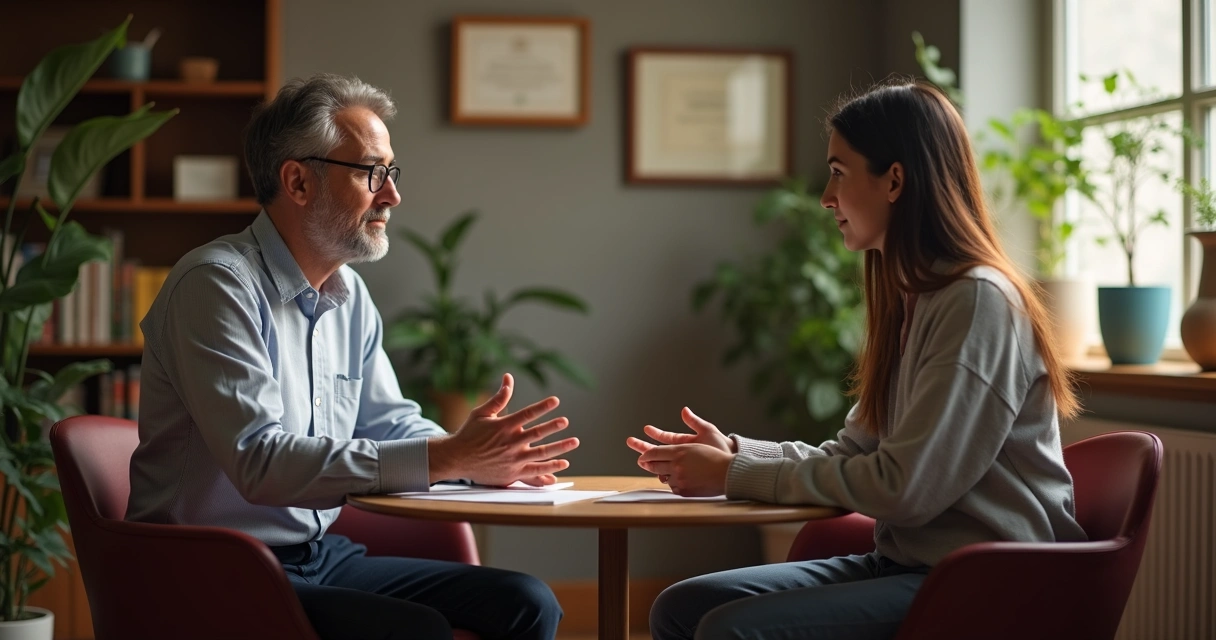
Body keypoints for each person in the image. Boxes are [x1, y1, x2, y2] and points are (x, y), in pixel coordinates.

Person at [627, 80, 1089, 640]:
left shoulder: (977, 301)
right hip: (909, 566)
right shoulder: (917, 301)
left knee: (730, 629)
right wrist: (735, 453)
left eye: (839, 172)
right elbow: (856, 453)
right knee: (681, 607)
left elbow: (905, 488)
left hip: (984, 581)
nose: (826, 196)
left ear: (894, 179)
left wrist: (733, 474)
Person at [126, 73, 576, 640]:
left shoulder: (349, 293)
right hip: (212, 566)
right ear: (297, 182)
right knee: (414, 630)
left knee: (526, 602)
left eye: (391, 172)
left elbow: (390, 422)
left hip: (317, 555)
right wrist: (447, 458)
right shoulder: (216, 285)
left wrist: (478, 461)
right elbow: (259, 464)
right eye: (371, 172)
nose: (392, 195)